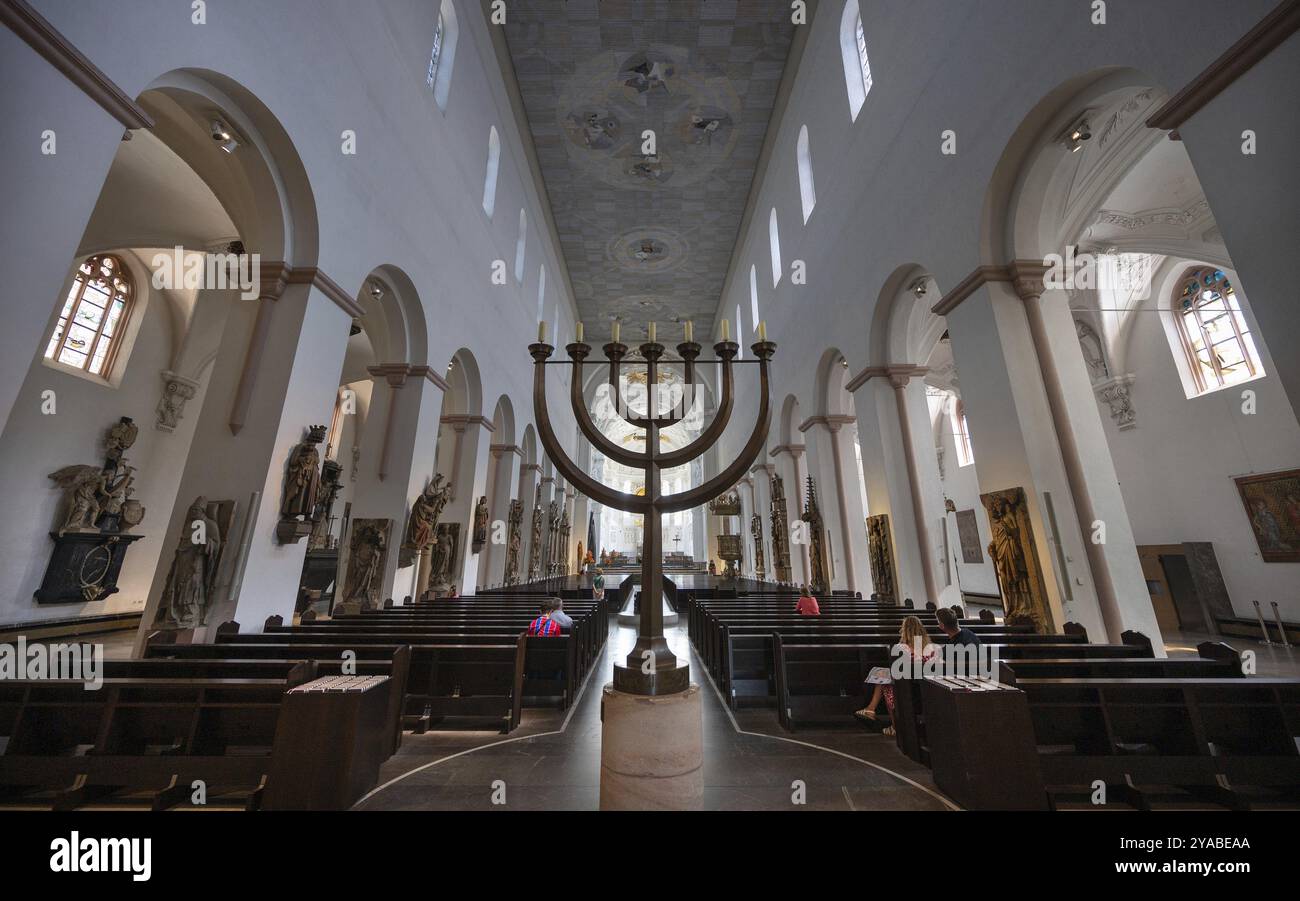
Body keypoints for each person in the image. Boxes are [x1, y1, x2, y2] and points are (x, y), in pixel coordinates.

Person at [855, 615, 933, 736]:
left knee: (886, 685)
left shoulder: (900, 648)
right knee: (883, 677)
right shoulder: (930, 648)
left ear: (904, 630)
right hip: (927, 688)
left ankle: (893, 725)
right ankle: (870, 709)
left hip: (907, 689)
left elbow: (897, 671)